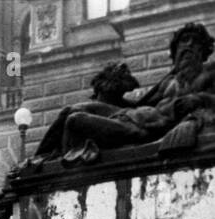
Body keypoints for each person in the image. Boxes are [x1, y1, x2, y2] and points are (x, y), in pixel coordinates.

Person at [60, 21, 215, 163]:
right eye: (184, 40)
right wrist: (111, 91)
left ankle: (63, 170)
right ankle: (41, 160)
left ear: (203, 51)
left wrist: (199, 98)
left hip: (146, 128)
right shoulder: (168, 81)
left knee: (75, 120)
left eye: (195, 42)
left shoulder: (209, 72)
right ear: (175, 51)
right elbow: (140, 104)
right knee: (73, 109)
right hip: (135, 115)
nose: (189, 44)